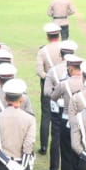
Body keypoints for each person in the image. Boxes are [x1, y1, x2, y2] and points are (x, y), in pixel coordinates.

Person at [35, 23, 64, 155]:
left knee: (46, 115)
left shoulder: (43, 51)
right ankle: (61, 143)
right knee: (64, 113)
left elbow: (39, 71)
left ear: (47, 36)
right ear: (58, 35)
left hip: (47, 85)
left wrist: (49, 78)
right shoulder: (65, 48)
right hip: (64, 85)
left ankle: (44, 146)